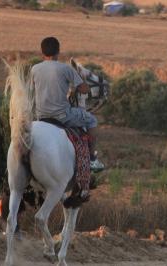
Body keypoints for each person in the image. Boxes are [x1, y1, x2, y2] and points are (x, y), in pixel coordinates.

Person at [31, 36, 104, 172]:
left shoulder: (34, 69)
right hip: (63, 116)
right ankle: (92, 160)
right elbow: (84, 89)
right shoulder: (65, 69)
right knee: (92, 120)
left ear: (42, 52)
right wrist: (81, 81)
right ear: (58, 52)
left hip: (40, 116)